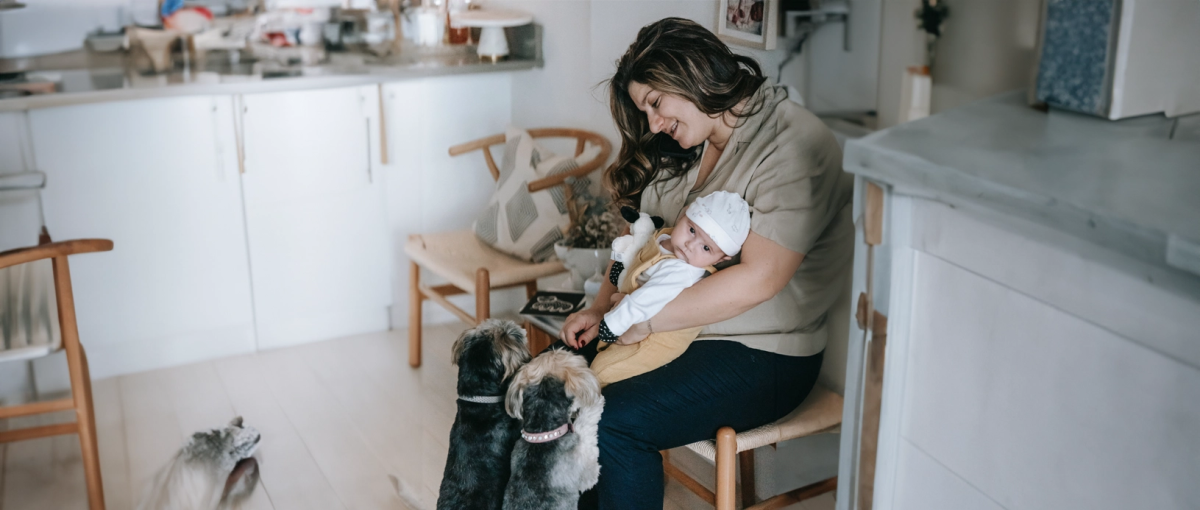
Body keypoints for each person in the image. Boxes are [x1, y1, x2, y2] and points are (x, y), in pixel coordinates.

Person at [556, 17, 854, 509]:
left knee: (613, 420)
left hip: (765, 354)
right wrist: (602, 308)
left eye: (655, 103)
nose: (652, 124)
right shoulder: (688, 146)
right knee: (549, 382)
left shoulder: (793, 141)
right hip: (676, 334)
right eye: (644, 111)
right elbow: (642, 241)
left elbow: (760, 278)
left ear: (688, 71)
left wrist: (641, 319)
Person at [589, 191, 751, 386]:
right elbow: (641, 256)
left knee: (601, 372)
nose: (691, 245)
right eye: (692, 230)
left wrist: (613, 324)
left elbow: (646, 299)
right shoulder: (664, 238)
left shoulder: (684, 270)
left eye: (706, 248)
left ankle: (586, 404)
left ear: (721, 259)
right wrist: (623, 269)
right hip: (629, 315)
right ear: (685, 213)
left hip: (654, 339)